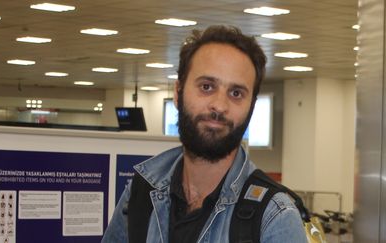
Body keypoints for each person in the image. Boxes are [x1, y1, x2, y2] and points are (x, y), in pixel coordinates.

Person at [102, 25, 307, 243]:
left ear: (251, 106)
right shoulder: (142, 192)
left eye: (236, 93)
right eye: (207, 87)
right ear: (178, 92)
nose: (219, 106)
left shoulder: (274, 217)